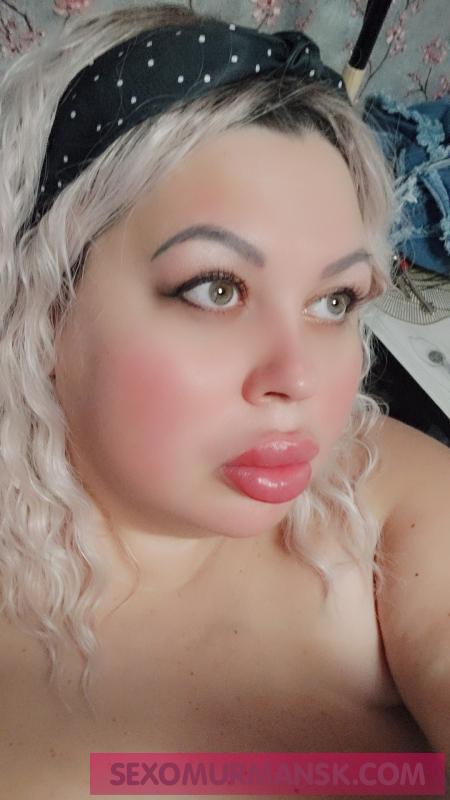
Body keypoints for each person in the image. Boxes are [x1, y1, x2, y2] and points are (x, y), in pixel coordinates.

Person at [0, 4, 449, 799]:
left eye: (335, 301)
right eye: (216, 288)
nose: (299, 379)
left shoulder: (381, 502)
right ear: (44, 301)